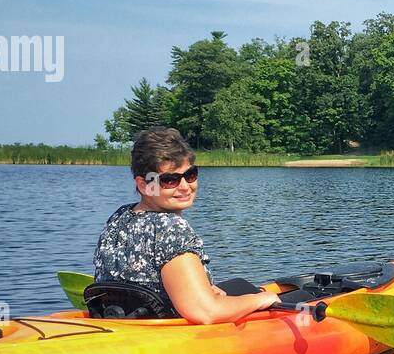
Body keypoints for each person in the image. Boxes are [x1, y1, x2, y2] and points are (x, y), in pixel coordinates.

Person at [93, 127, 279, 323]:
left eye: (190, 174)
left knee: (239, 285)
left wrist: (201, 287)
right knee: (285, 297)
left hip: (130, 322)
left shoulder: (119, 217)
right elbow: (206, 313)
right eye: (169, 180)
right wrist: (259, 300)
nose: (185, 187)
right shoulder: (171, 228)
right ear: (143, 185)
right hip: (169, 335)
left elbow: (139, 281)